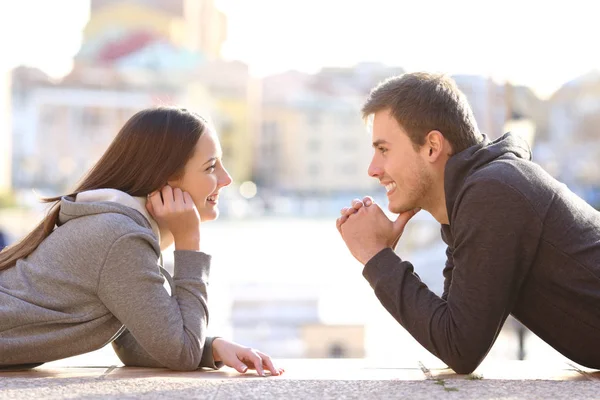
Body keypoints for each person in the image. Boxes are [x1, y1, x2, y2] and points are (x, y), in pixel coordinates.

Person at [336, 72, 600, 374]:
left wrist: (376, 257)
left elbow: (460, 347)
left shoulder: (493, 191)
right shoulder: (478, 193)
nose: (373, 169)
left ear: (432, 146)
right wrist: (382, 258)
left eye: (383, 149)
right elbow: (452, 325)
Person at [0, 107, 283, 376]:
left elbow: (136, 341)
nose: (227, 179)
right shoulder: (120, 235)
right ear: (167, 178)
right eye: (211, 167)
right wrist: (189, 241)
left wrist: (213, 348)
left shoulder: (117, 224)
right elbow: (180, 353)